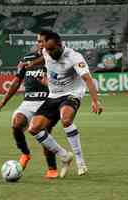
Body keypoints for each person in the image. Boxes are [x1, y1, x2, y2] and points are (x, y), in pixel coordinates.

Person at [24, 31, 104, 177]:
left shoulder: (74, 57)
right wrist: (31, 64)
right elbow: (44, 58)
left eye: (52, 49)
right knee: (33, 128)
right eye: (46, 49)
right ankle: (64, 156)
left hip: (71, 93)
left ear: (60, 46)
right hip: (53, 95)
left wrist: (95, 101)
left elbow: (87, 79)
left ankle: (80, 162)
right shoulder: (46, 51)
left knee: (66, 119)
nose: (49, 52)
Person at [0, 30, 59, 178]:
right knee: (17, 124)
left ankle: (52, 168)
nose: (40, 44)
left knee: (44, 133)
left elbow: (62, 82)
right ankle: (25, 154)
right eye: (39, 41)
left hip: (47, 101)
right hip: (28, 101)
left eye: (43, 41)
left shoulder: (55, 59)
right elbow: (16, 82)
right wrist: (2, 102)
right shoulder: (26, 59)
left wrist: (49, 83)